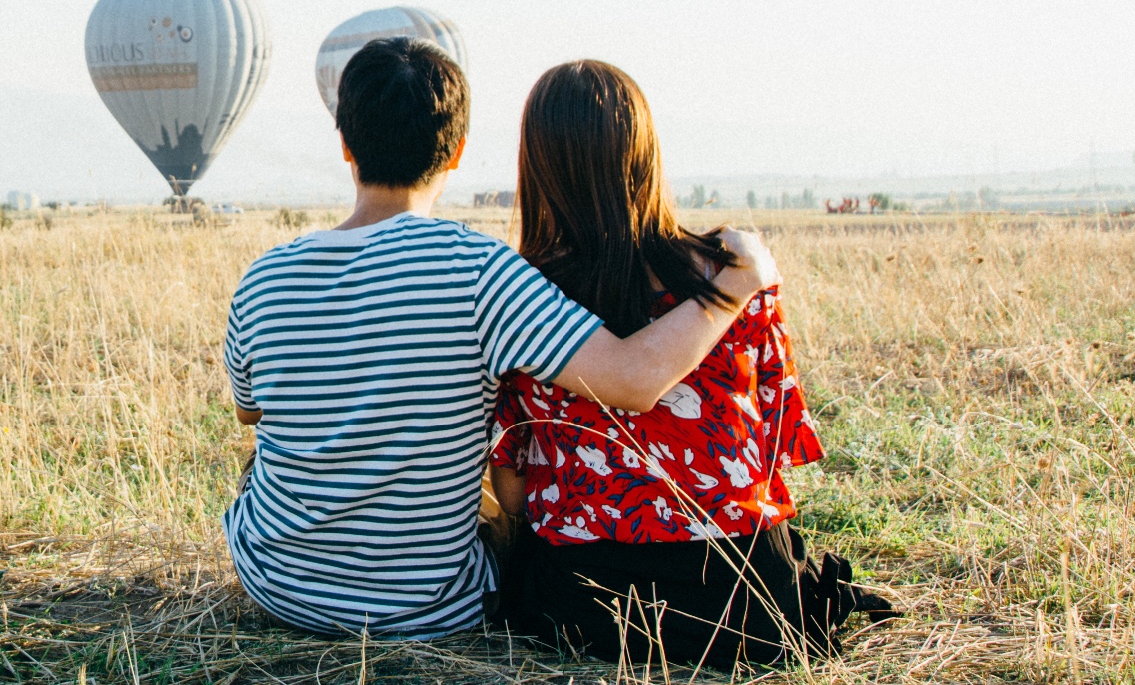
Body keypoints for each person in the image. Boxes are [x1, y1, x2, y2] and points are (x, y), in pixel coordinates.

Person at [221, 38, 782, 639]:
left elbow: (249, 412)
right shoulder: (481, 271)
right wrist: (733, 286)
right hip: (426, 610)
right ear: (458, 151)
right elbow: (633, 380)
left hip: (275, 586)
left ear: (345, 145)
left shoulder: (265, 277)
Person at [488, 60, 892, 669]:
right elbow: (776, 440)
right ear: (645, 152)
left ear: (538, 165)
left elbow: (514, 491)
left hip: (583, 604)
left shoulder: (525, 295)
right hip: (747, 599)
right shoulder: (732, 273)